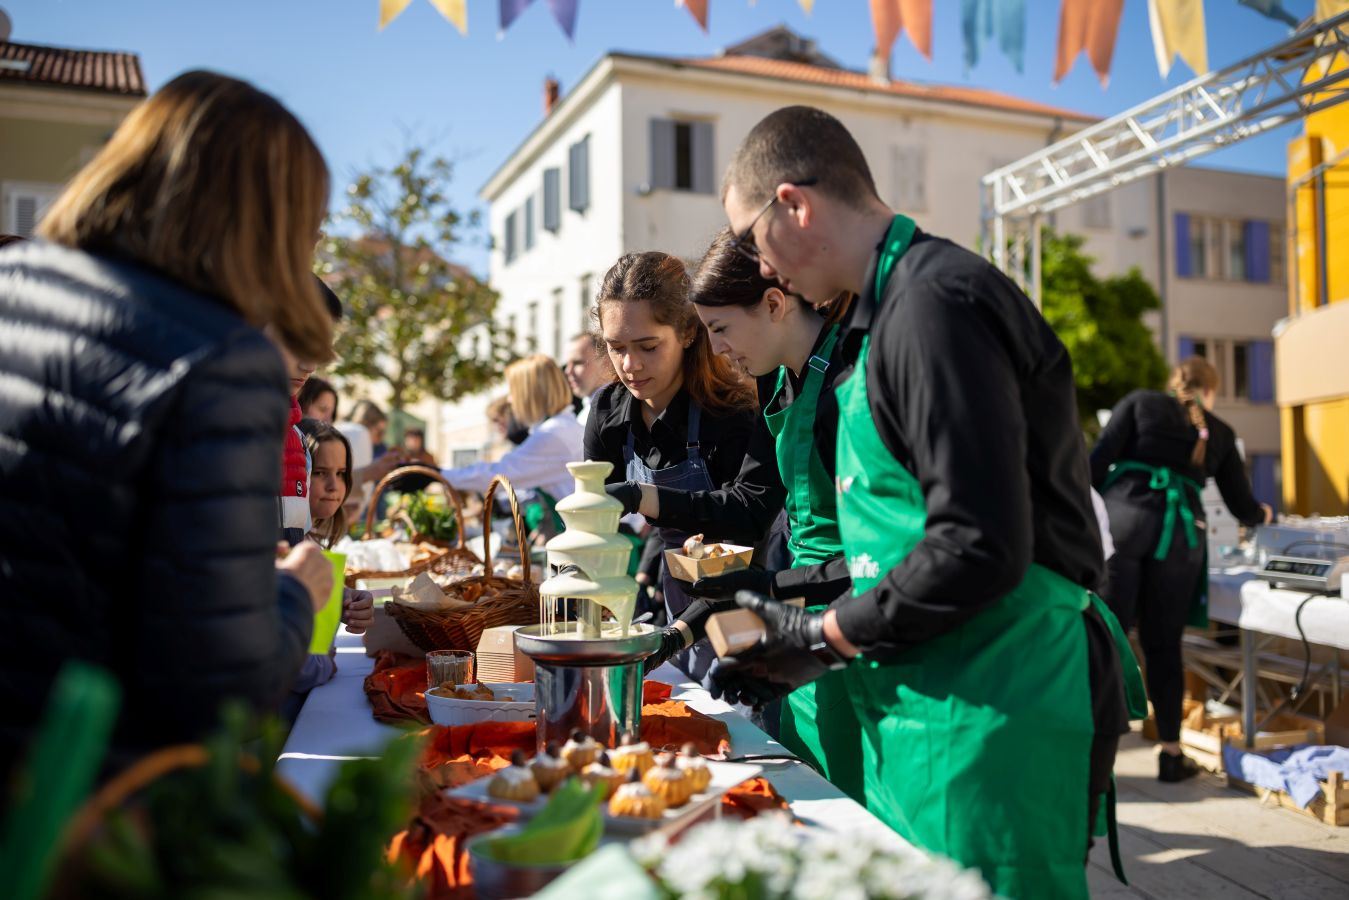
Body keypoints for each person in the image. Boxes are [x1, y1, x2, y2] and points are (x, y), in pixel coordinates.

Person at [706, 106, 1132, 898]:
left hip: (996, 692)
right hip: (929, 688)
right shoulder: (885, 312)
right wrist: (789, 610)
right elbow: (897, 541)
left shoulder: (936, 303)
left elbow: (977, 542)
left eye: (751, 238)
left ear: (793, 205)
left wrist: (822, 636)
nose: (759, 265)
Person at [0, 70, 334, 777]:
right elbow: (219, 684)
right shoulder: (220, 359)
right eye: (308, 230)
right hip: (78, 784)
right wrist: (297, 594)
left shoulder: (14, 283)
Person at [642, 226, 859, 792]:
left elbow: (883, 554)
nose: (716, 351)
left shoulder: (850, 380)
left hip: (858, 613)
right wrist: (680, 632)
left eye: (719, 329)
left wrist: (769, 586)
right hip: (802, 619)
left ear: (774, 304)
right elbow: (751, 502)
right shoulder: (774, 379)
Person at [585, 251, 782, 679]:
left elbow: (744, 530)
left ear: (688, 332)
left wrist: (643, 497)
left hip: (744, 601)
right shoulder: (608, 411)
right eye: (616, 348)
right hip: (675, 598)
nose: (630, 365)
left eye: (648, 347)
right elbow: (593, 527)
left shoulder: (731, 414)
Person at [1092, 357, 1271, 782]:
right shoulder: (1219, 431)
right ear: (1210, 391)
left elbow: (1093, 465)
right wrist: (1263, 514)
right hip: (1180, 539)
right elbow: (1242, 506)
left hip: (1123, 526)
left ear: (1175, 383)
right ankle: (1171, 754)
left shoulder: (1139, 403)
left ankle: (1092, 749)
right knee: (1163, 646)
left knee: (1105, 636)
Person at [439, 354, 583, 504]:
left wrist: (440, 474)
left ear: (530, 394)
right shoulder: (561, 427)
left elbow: (499, 475)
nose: (509, 399)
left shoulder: (551, 434)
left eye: (513, 392)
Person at [563, 332, 616, 425]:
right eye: (567, 364)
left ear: (606, 362)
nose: (568, 371)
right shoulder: (590, 409)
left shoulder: (615, 411)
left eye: (578, 363)